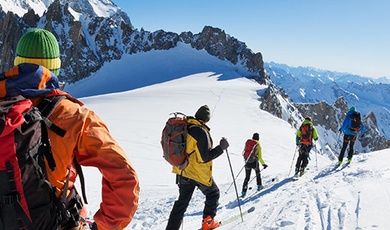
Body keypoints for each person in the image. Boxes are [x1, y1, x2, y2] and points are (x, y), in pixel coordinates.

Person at [1, 28, 139, 229]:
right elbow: (124, 176)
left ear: (17, 64)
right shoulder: (75, 116)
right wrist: (104, 225)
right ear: (55, 68)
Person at [166, 105, 229, 230]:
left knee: (181, 204)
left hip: (182, 171)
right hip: (197, 173)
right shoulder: (200, 131)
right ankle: (207, 223)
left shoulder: (185, 127)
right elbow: (205, 157)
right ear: (207, 119)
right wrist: (221, 148)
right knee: (213, 193)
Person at [241, 133, 268, 198]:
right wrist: (263, 164)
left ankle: (244, 192)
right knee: (257, 174)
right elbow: (260, 157)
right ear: (258, 138)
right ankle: (259, 186)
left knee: (247, 177)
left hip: (247, 162)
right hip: (254, 162)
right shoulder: (258, 145)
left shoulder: (248, 143)